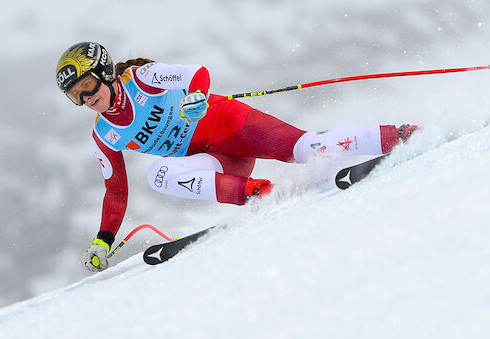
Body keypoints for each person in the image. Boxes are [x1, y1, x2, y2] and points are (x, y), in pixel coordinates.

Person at [55, 42, 418, 272]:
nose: (86, 99)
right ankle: (259, 191)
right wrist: (103, 240)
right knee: (158, 174)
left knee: (305, 148)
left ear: (105, 73)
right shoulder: (104, 135)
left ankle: (399, 135)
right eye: (76, 96)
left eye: (87, 86)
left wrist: (196, 96)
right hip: (215, 161)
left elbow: (196, 72)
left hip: (232, 124)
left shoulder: (142, 78)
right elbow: (116, 191)